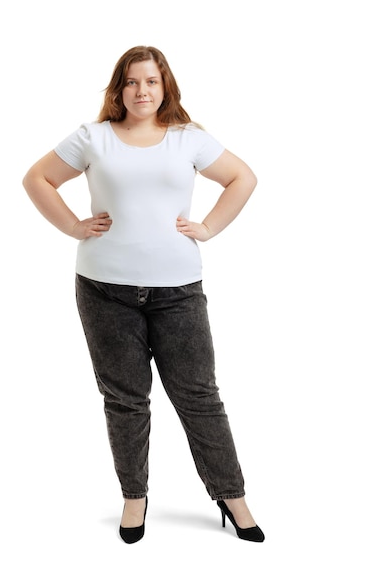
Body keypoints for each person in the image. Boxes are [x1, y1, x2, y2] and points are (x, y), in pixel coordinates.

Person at [22, 45, 265, 544]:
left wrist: (208, 227)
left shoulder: (188, 139)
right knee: (125, 400)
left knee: (199, 397)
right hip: (104, 288)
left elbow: (243, 178)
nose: (142, 91)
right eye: (133, 82)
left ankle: (231, 495)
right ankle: (135, 497)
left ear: (165, 86)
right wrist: (73, 225)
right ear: (119, 88)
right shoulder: (93, 138)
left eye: (151, 82)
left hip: (177, 290)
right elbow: (37, 179)